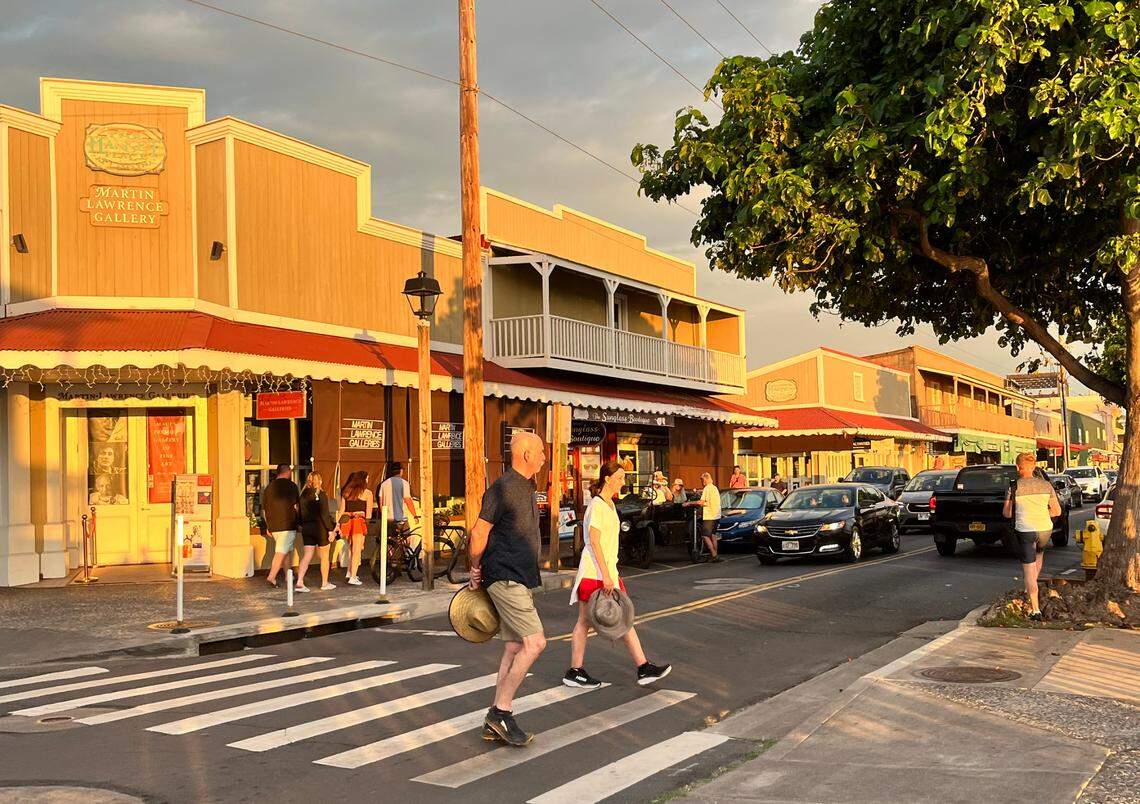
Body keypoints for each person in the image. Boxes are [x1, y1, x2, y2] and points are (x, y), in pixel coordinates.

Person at [468, 431, 548, 747]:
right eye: (540, 452)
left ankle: (495, 717)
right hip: (505, 576)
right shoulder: (501, 488)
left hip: (519, 576)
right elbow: (479, 532)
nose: (544, 457)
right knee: (535, 643)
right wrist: (475, 567)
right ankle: (501, 712)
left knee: (515, 646)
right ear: (526, 454)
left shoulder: (527, 486)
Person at [564, 460, 671, 689]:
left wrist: (610, 572)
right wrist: (606, 575)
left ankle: (642, 667)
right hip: (595, 572)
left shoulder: (610, 504)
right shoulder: (597, 505)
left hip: (606, 570)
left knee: (620, 618)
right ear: (607, 479)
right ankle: (576, 671)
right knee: (587, 621)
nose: (623, 482)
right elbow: (594, 542)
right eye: (620, 478)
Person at [1002, 452, 1061, 621]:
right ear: (1034, 467)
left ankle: (1035, 609)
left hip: (1025, 530)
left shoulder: (1014, 487)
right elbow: (1056, 511)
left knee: (1028, 568)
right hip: (1045, 529)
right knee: (1039, 556)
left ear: (1017, 467)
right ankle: (1031, 586)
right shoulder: (1046, 485)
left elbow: (1007, 514)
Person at [296, 471, 336, 592]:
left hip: (307, 527)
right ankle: (324, 583)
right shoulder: (321, 494)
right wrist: (330, 530)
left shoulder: (302, 495)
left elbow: (299, 513)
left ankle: (299, 581)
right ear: (320, 481)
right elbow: (324, 514)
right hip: (320, 528)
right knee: (324, 556)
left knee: (307, 555)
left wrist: (302, 525)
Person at [262, 464, 300, 587]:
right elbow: (296, 506)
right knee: (281, 552)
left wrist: (268, 525)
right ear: (287, 471)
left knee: (286, 551)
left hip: (274, 525)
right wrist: (299, 520)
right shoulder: (292, 486)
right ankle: (271, 577)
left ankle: (288, 576)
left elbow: (264, 509)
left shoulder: (269, 488)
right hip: (287, 524)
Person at [337, 470, 374, 586]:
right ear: (363, 480)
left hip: (347, 522)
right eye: (367, 478)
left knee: (351, 548)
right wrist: (367, 526)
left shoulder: (347, 492)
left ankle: (349, 572)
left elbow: (341, 510)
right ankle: (353, 577)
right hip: (359, 521)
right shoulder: (367, 493)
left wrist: (338, 525)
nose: (368, 480)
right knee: (357, 550)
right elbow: (369, 514)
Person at [685, 472, 723, 562]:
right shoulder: (714, 488)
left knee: (705, 536)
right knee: (713, 535)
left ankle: (714, 555)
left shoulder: (707, 488)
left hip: (710, 516)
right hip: (717, 515)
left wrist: (689, 503)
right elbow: (708, 502)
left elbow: (701, 502)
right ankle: (715, 555)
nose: (702, 482)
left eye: (702, 480)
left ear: (705, 479)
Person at [378, 462, 418, 535]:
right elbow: (408, 501)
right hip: (401, 519)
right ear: (401, 471)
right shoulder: (404, 483)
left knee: (389, 539)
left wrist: (383, 516)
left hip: (388, 518)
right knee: (406, 538)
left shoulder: (384, 484)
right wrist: (415, 515)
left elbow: (381, 503)